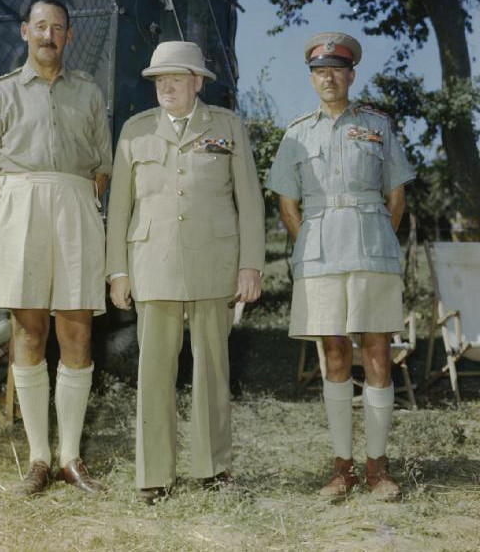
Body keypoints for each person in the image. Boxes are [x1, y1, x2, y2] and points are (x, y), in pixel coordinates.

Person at [106, 41, 265, 504]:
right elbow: (119, 209)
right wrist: (118, 270)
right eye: (159, 79)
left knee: (213, 368)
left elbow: (250, 202)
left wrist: (250, 264)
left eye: (176, 78)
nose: (166, 86)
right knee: (154, 370)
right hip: (152, 264)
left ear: (198, 82)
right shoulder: (136, 132)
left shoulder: (228, 127)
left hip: (213, 263)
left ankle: (213, 468)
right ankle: (154, 474)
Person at [0, 0, 112, 496]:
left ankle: (71, 457)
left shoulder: (89, 93)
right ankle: (38, 460)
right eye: (41, 27)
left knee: (77, 333)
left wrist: (78, 209)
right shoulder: (0, 95)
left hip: (75, 207)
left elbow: (102, 166)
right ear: (25, 31)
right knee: (28, 333)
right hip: (19, 210)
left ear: (69, 37)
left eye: (59, 28)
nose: (49, 35)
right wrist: (8, 224)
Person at [267, 32, 414, 501]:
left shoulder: (378, 126)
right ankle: (341, 468)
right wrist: (313, 240)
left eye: (336, 70)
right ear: (312, 78)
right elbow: (287, 204)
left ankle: (377, 468)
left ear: (351, 75)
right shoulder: (296, 133)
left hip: (372, 249)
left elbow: (396, 200)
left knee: (376, 353)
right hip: (319, 254)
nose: (328, 78)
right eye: (319, 71)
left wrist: (371, 233)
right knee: (332, 354)